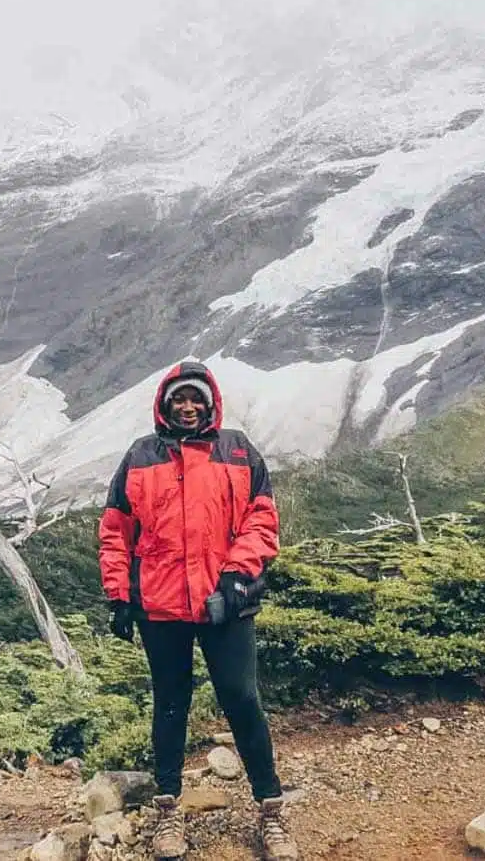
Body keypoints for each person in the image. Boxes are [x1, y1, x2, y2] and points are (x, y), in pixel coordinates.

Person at [97, 361, 299, 861]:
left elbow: (262, 520)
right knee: (170, 702)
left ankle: (270, 809)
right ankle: (168, 810)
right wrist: (119, 596)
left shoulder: (236, 450)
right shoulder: (141, 456)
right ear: (165, 404)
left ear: (210, 404)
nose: (187, 408)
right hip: (161, 606)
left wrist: (235, 578)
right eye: (178, 400)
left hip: (225, 604)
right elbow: (115, 531)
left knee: (241, 698)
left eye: (196, 400)